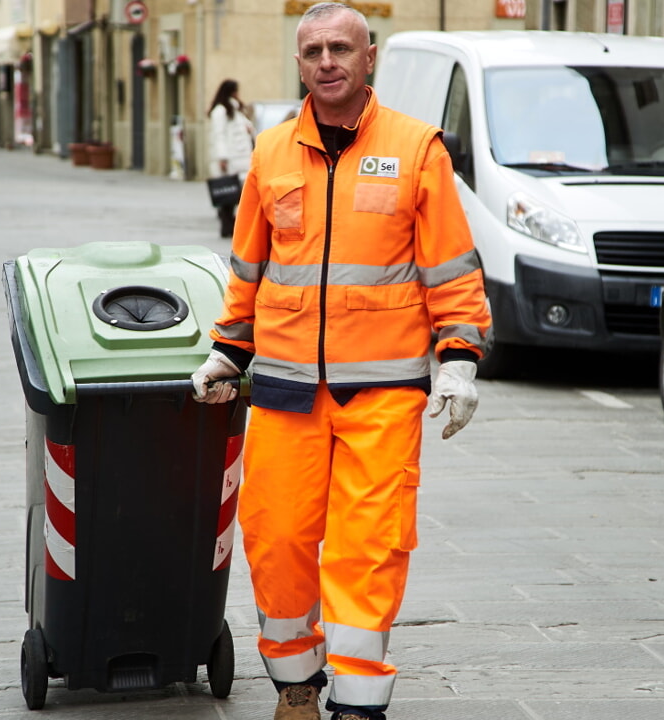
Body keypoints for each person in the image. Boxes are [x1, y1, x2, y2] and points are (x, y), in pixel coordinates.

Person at [190, 4, 490, 720]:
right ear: (299, 64)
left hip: (383, 391)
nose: (327, 62)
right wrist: (226, 353)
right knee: (277, 538)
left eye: (341, 49)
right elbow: (250, 270)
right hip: (288, 389)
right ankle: (297, 683)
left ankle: (358, 703)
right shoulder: (268, 154)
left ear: (369, 58)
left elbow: (449, 267)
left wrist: (459, 358)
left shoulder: (418, 149)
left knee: (369, 545)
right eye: (314, 50)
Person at [207, 79, 256, 238]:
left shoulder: (236, 109)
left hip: (242, 159)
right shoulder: (220, 111)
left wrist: (249, 129)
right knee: (228, 194)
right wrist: (222, 157)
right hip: (229, 160)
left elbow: (248, 127)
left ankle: (232, 224)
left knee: (238, 194)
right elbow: (218, 135)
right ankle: (227, 225)